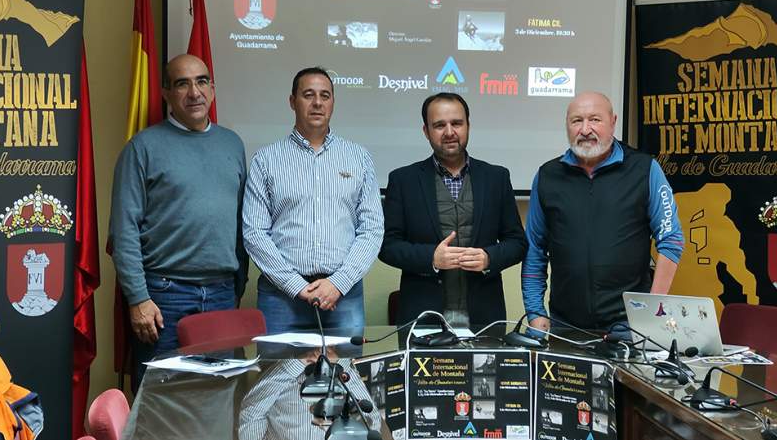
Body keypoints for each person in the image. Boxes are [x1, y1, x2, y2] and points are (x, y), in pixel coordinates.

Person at [110, 54, 248, 391]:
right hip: (163, 298)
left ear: (212, 90)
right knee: (163, 403)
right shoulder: (142, 148)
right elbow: (123, 231)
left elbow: (243, 224)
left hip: (220, 294)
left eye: (201, 81)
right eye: (182, 83)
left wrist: (235, 286)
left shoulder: (232, 144)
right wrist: (138, 299)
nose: (194, 92)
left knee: (216, 399)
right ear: (166, 93)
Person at [522, 92, 683, 335]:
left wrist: (652, 312)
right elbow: (534, 248)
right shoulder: (547, 176)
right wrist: (535, 313)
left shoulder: (645, 169)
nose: (585, 129)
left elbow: (671, 240)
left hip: (628, 326)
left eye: (595, 119)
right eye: (577, 121)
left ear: (613, 122)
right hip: (564, 325)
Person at [243, 67, 383, 336]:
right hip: (281, 298)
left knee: (344, 374)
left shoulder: (358, 158)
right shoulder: (266, 160)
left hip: (343, 296)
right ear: (292, 102)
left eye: (325, 95)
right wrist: (295, 285)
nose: (317, 102)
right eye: (308, 95)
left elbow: (372, 229)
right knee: (278, 376)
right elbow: (255, 233)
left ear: (333, 102)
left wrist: (339, 282)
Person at [379, 93, 527, 329]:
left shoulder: (496, 178)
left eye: (456, 123)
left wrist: (489, 257)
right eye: (439, 125)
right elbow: (387, 247)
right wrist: (432, 258)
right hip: (422, 316)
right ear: (426, 131)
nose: (449, 132)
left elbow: (517, 243)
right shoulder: (403, 180)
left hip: (485, 315)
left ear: (468, 125)